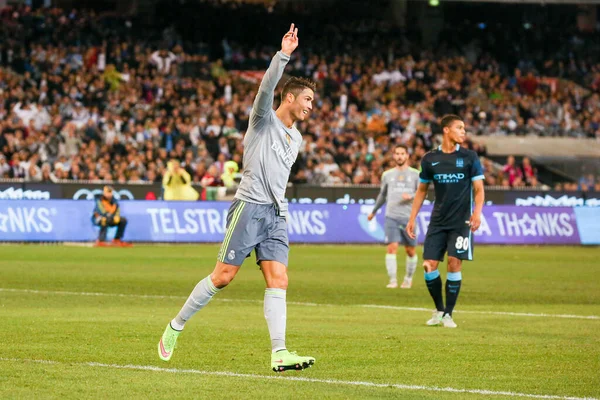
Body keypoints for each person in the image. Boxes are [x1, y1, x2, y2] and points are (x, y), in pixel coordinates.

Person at [158, 24, 317, 372]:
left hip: (277, 214)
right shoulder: (262, 121)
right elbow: (265, 88)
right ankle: (175, 327)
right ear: (289, 97)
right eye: (307, 99)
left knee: (280, 280)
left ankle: (279, 353)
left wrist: (283, 212)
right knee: (223, 277)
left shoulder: (298, 138)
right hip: (249, 207)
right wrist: (284, 55)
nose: (310, 107)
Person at [406, 114, 485, 328]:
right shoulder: (430, 159)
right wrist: (412, 218)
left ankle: (448, 314)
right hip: (438, 221)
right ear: (446, 130)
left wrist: (477, 213)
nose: (463, 131)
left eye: (464, 128)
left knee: (453, 263)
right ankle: (439, 310)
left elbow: (479, 190)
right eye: (459, 127)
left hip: (461, 222)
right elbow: (421, 191)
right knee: (428, 265)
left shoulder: (470, 157)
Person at [367, 145, 419, 289]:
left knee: (410, 250)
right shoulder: (387, 175)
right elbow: (382, 195)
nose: (399, 156)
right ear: (393, 156)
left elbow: (423, 194)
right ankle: (393, 280)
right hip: (392, 216)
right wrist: (374, 211)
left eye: (402, 153)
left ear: (407, 156)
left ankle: (408, 279)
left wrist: (411, 196)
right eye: (397, 154)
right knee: (391, 247)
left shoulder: (416, 175)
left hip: (409, 217)